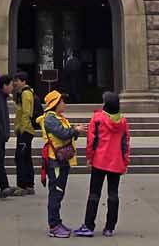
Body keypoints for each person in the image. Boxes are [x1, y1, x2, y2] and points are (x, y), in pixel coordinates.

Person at [78, 91, 130, 238]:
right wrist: (125, 161)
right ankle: (109, 228)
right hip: (116, 162)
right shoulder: (123, 121)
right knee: (113, 194)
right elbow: (125, 143)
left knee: (94, 194)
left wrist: (89, 157)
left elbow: (91, 141)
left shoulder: (98, 118)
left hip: (99, 161)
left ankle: (88, 225)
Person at [39, 89, 81, 238]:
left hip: (62, 160)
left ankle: (57, 222)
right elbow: (63, 134)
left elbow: (66, 133)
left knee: (59, 192)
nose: (65, 104)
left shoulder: (57, 117)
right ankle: (54, 226)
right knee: (55, 193)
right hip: (55, 161)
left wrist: (74, 130)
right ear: (55, 104)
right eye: (62, 101)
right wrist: (74, 130)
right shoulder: (50, 118)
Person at [11, 72, 38, 195]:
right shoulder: (24, 93)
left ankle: (22, 185)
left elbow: (27, 113)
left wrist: (22, 128)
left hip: (25, 130)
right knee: (26, 157)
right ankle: (29, 184)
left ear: (23, 81)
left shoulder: (26, 94)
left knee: (20, 157)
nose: (15, 83)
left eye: (17, 80)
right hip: (25, 129)